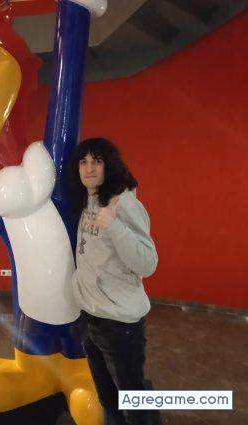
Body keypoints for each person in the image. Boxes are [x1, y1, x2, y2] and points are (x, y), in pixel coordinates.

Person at [69, 138, 159, 425]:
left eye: (97, 161)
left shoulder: (124, 204)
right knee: (108, 398)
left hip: (119, 325)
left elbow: (147, 263)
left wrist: (114, 225)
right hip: (90, 316)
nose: (89, 168)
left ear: (109, 165)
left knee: (134, 403)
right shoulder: (88, 199)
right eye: (83, 162)